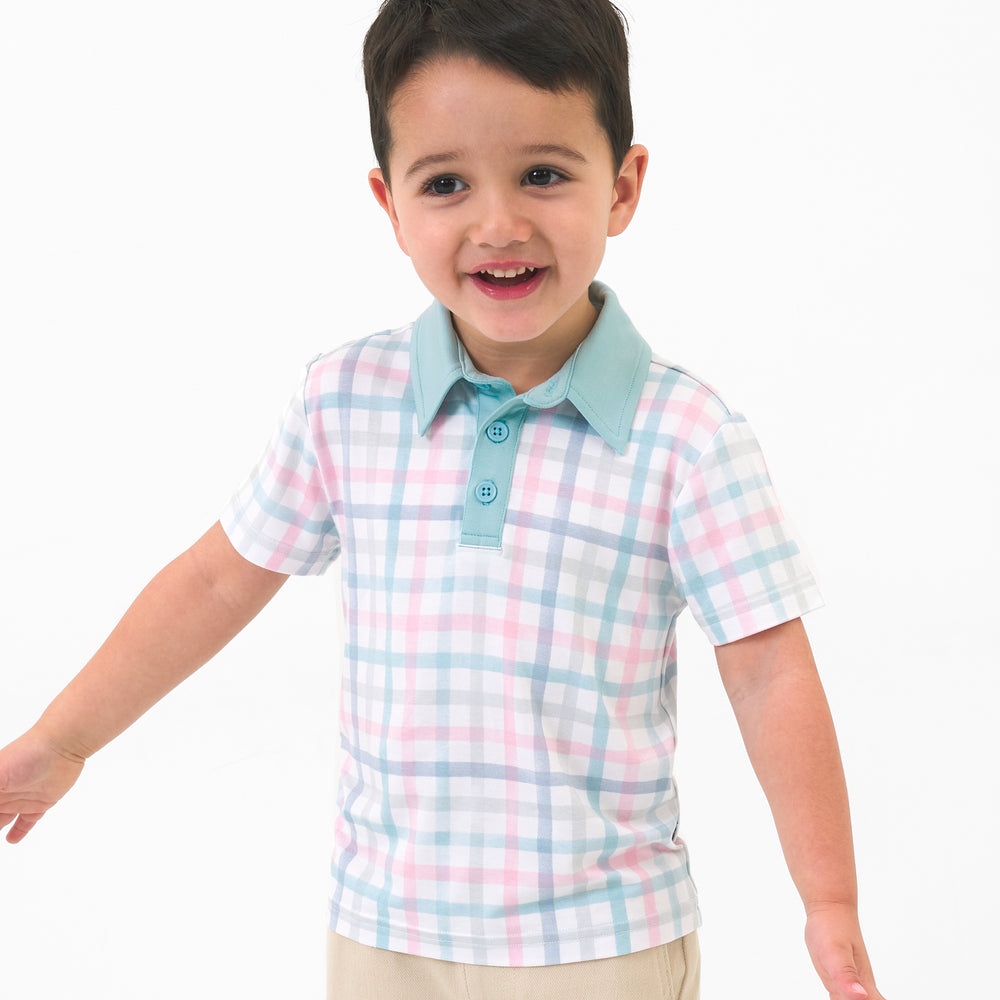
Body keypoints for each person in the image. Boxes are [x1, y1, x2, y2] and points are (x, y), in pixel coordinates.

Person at [0, 1, 886, 997]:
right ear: (388, 203)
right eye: (446, 182)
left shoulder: (685, 436)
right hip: (385, 933)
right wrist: (59, 740)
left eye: (543, 174)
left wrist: (830, 903)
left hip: (599, 942)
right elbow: (215, 580)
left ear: (623, 185)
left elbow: (769, 668)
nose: (497, 224)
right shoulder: (344, 402)